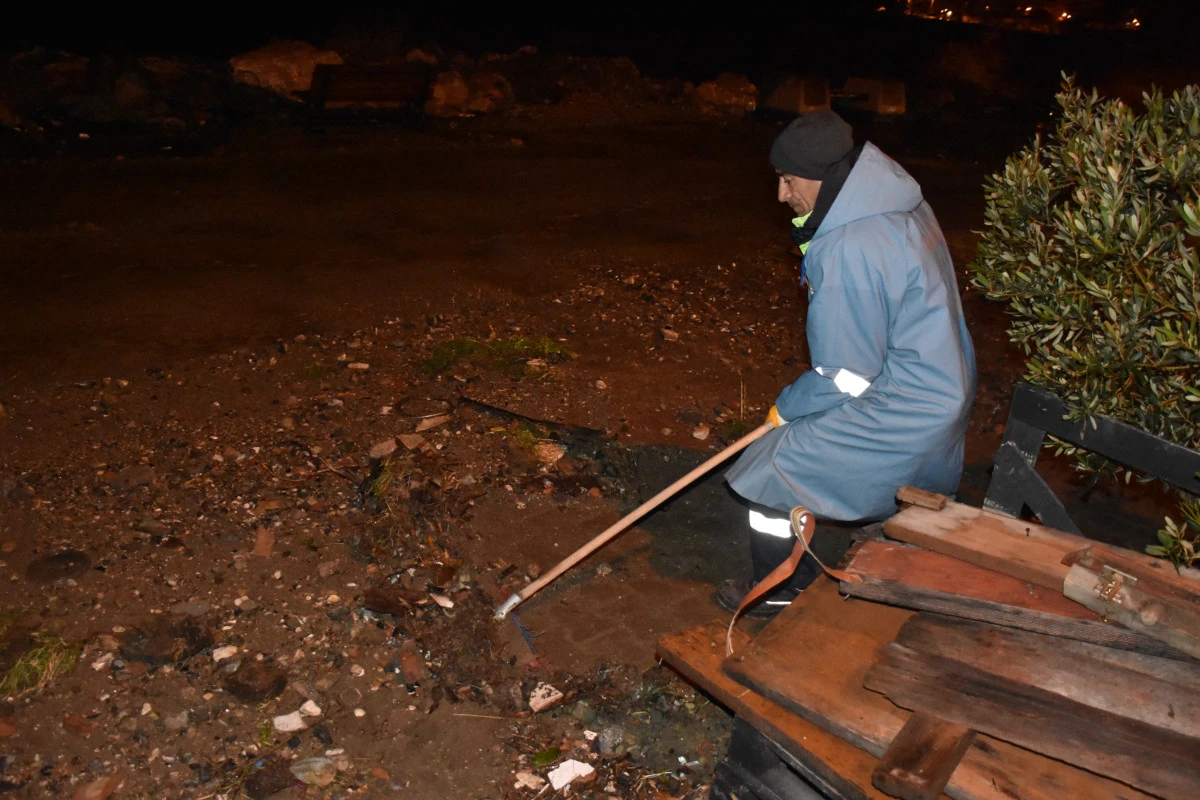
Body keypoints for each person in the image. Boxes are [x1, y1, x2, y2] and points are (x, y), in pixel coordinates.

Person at [716, 109, 977, 618]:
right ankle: (886, 531)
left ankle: (781, 588)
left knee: (771, 465)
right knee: (811, 441)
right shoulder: (895, 200)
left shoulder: (849, 246)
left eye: (788, 180)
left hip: (905, 409)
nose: (781, 194)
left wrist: (784, 411)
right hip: (945, 387)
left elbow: (845, 376)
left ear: (819, 177)